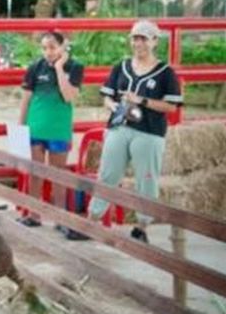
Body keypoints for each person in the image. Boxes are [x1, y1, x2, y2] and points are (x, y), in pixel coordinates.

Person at [75, 19, 183, 242]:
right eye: (135, 38)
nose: (138, 43)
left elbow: (172, 106)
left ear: (154, 41)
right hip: (119, 127)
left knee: (147, 178)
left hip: (149, 131)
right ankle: (92, 221)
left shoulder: (165, 73)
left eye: (143, 38)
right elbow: (107, 96)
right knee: (107, 173)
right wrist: (113, 105)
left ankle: (142, 227)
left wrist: (141, 101)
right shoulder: (121, 66)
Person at [16, 31, 83, 228]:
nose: (48, 52)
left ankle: (60, 218)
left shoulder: (75, 67)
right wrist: (21, 127)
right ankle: (33, 215)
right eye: (44, 48)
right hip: (35, 126)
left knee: (57, 174)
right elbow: (26, 100)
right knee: (35, 173)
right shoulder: (35, 67)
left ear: (63, 47)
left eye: (53, 47)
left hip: (58, 128)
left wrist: (60, 68)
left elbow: (69, 96)